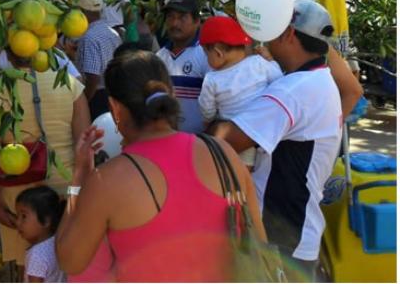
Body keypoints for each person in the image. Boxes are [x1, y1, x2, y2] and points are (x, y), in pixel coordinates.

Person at [55, 51, 266, 282]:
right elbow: (259, 240)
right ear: (171, 93)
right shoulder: (223, 153)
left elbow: (70, 261)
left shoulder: (108, 181)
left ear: (115, 108)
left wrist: (79, 180)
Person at [211, 0, 343, 281]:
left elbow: (227, 140)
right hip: (297, 232)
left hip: (281, 236)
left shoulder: (293, 90)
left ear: (289, 34)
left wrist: (218, 109)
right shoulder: (321, 80)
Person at [0, 50, 91, 276]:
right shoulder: (70, 84)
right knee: (68, 266)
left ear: (8, 53)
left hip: (21, 199)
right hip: (66, 192)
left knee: (28, 267)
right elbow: (85, 147)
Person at [197, 16, 283, 168]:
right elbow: (279, 79)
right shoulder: (259, 63)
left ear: (218, 53)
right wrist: (270, 59)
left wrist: (208, 120)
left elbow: (207, 110)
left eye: (206, 53)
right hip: (262, 129)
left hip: (232, 132)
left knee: (235, 174)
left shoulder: (212, 79)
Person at [155, 0, 210, 133]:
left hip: (200, 143)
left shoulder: (207, 54)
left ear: (197, 21)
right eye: (170, 17)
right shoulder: (159, 57)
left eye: (182, 17)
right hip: (167, 141)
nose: (174, 23)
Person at [74, 0, 121, 120]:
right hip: (114, 91)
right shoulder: (112, 32)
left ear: (82, 12)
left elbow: (92, 77)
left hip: (98, 96)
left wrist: (85, 101)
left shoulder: (89, 37)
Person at [15, 186, 68, 283]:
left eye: (24, 216)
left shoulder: (36, 255)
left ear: (46, 220)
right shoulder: (59, 240)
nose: (17, 222)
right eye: (17, 216)